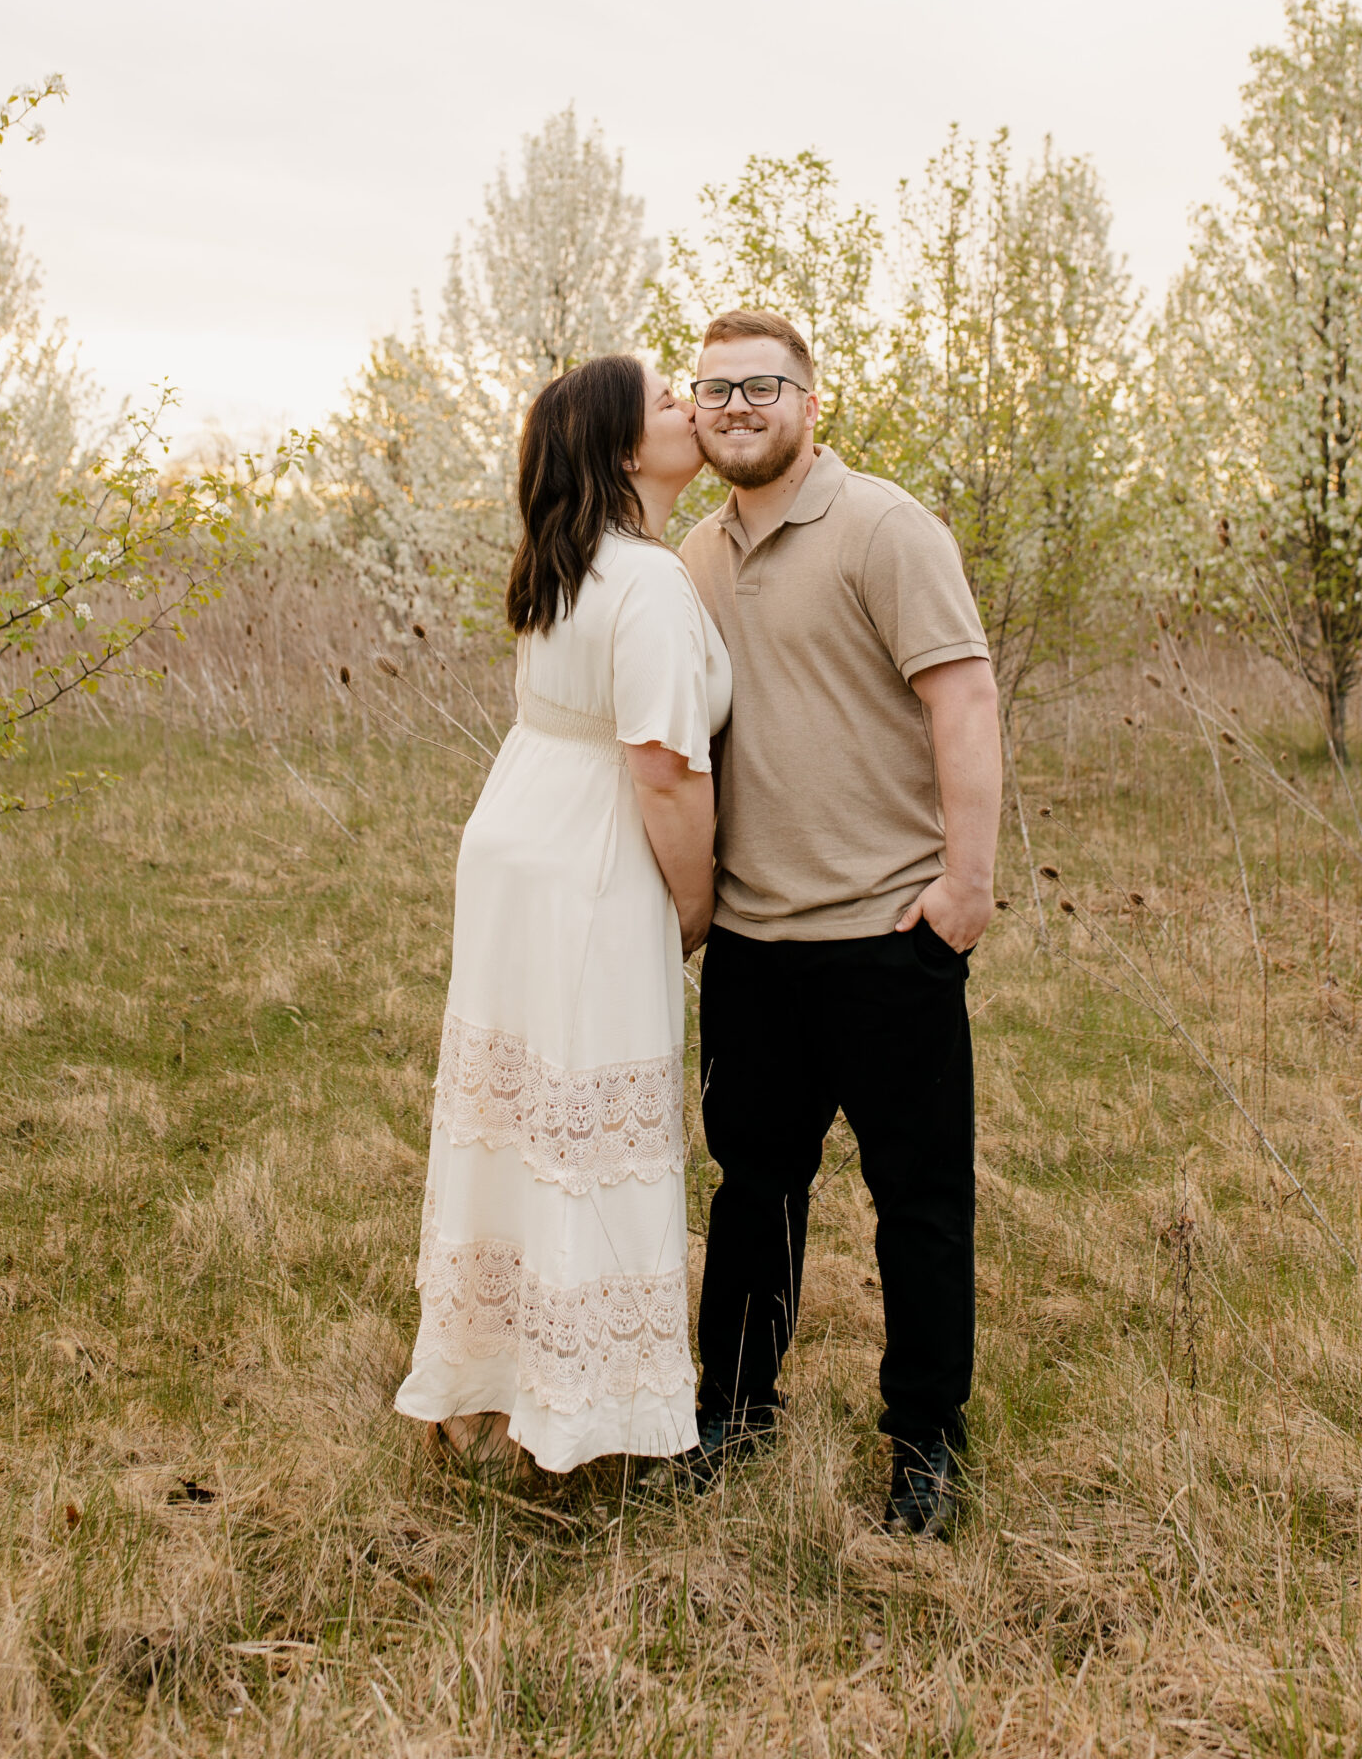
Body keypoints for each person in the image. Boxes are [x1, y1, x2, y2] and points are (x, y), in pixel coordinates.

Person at [678, 308, 1001, 1537]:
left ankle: (925, 1441)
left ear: (813, 402)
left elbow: (962, 704)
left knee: (920, 1199)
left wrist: (962, 889)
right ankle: (734, 1412)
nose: (738, 406)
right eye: (715, 390)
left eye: (763, 384)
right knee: (754, 1189)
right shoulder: (694, 555)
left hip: (888, 936)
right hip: (755, 946)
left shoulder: (884, 526)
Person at [394, 354, 729, 1475]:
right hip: (588, 859)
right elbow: (665, 771)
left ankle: (492, 1378)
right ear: (630, 450)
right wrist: (698, 905)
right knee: (588, 1130)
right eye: (672, 402)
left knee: (522, 1121)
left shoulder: (566, 564)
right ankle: (589, 1408)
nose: (692, 408)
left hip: (515, 842)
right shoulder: (648, 581)